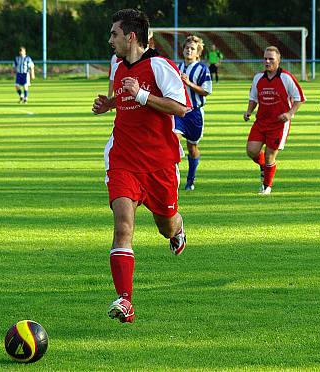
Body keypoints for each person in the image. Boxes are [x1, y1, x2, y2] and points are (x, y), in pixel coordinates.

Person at [92, 9, 191, 323]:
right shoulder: (118, 65)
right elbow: (123, 98)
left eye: (114, 34)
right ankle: (125, 301)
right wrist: (108, 104)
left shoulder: (160, 66)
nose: (111, 41)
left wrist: (143, 94)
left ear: (130, 36)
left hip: (160, 164)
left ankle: (178, 230)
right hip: (123, 160)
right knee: (123, 228)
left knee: (167, 225)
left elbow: (182, 107)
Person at [243, 46, 305, 195]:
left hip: (279, 124)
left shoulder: (286, 77)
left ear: (278, 60)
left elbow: (299, 99)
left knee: (270, 155)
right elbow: (253, 98)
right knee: (251, 151)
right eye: (265, 58)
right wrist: (249, 111)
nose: (267, 61)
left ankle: (266, 186)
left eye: (271, 59)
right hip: (261, 122)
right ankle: (265, 167)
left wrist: (289, 114)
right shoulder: (258, 77)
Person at [174, 35, 212, 191]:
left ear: (198, 53)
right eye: (187, 48)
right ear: (183, 50)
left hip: (195, 114)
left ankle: (190, 179)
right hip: (178, 112)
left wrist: (189, 83)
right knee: (172, 140)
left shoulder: (202, 69)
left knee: (192, 148)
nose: (189, 51)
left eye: (192, 49)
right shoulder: (177, 67)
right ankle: (171, 179)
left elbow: (206, 91)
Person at [107, 30, 156, 98]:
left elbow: (173, 104)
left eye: (115, 35)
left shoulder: (155, 62)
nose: (110, 41)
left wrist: (140, 95)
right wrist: (109, 99)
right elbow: (112, 80)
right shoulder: (115, 60)